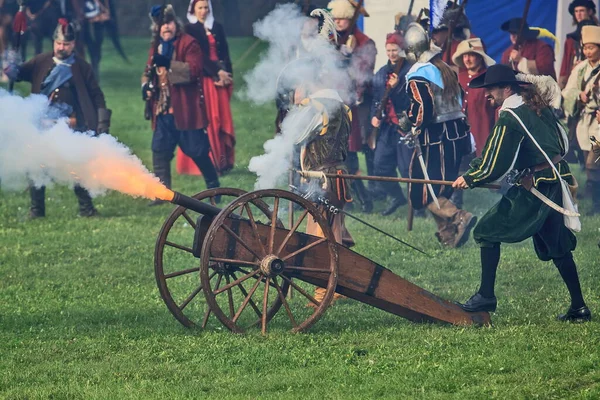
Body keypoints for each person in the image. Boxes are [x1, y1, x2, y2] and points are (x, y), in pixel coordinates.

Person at [454, 64, 591, 323]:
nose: (487, 95)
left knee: (485, 231)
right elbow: (562, 144)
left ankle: (486, 295)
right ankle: (579, 307)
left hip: (536, 185)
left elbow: (496, 160)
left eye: (491, 89)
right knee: (558, 246)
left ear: (507, 88)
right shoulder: (537, 106)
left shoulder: (511, 117)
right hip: (552, 178)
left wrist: (471, 177)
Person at [4, 18, 110, 218]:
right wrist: (12, 69)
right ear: (54, 42)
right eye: (59, 43)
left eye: (66, 44)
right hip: (42, 124)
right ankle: (37, 210)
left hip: (71, 124)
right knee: (36, 165)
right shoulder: (41, 61)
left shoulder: (82, 67)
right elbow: (20, 73)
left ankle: (86, 209)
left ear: (73, 45)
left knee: (77, 166)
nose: (62, 47)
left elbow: (97, 96)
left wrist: (102, 122)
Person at [398, 22, 475, 248]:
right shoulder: (444, 68)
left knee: (422, 190)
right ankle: (448, 234)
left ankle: (459, 216)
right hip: (454, 135)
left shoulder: (419, 74)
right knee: (438, 187)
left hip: (436, 137)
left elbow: (424, 108)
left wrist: (408, 120)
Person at [141, 4, 219, 206]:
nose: (165, 27)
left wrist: (168, 64)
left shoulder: (188, 43)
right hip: (163, 110)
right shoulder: (155, 45)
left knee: (197, 151)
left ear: (175, 24)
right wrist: (146, 86)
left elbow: (193, 71)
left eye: (168, 23)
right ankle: (162, 193)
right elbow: (147, 71)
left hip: (185, 110)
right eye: (161, 24)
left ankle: (214, 187)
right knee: (160, 151)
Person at [328, 0, 376, 213]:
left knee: (350, 154)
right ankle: (342, 197)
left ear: (350, 19)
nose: (337, 22)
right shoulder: (330, 40)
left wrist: (349, 57)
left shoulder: (364, 42)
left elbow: (363, 76)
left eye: (342, 18)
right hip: (330, 103)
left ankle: (365, 199)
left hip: (352, 107)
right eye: (335, 18)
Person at [179, 0, 235, 176]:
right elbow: (197, 57)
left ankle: (223, 161)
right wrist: (216, 72)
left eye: (205, 8)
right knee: (210, 118)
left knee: (222, 118)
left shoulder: (216, 26)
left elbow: (224, 52)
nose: (203, 11)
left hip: (219, 79)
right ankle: (209, 162)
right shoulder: (189, 29)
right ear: (193, 9)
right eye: (200, 8)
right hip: (204, 80)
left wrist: (227, 75)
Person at [449, 37, 497, 209]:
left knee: (491, 167)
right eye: (464, 56)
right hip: (460, 132)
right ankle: (456, 203)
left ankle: (499, 202)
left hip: (483, 131)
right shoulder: (457, 77)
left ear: (480, 57)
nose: (467, 59)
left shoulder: (489, 78)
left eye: (471, 55)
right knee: (457, 165)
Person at [370, 32, 411, 216]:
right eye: (388, 50)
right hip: (387, 128)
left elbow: (409, 101)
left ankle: (416, 206)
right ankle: (396, 196)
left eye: (395, 50)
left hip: (405, 127)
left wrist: (396, 88)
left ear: (401, 50)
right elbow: (376, 99)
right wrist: (374, 115)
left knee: (407, 169)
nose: (392, 53)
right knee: (380, 166)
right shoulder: (381, 73)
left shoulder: (410, 71)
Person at [563, 25, 600, 214]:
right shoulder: (580, 69)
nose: (588, 51)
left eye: (592, 47)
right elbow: (567, 91)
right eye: (586, 48)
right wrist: (579, 95)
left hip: (599, 124)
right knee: (589, 163)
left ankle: (595, 204)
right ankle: (595, 201)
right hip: (585, 121)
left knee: (592, 164)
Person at [559, 0, 598, 89]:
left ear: (590, 12)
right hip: (574, 79)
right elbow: (565, 64)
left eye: (582, 11)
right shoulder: (571, 39)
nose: (578, 14)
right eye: (576, 11)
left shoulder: (597, 34)